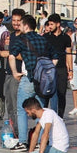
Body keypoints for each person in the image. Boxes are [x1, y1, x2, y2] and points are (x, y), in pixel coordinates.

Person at [7, 10, 47, 142]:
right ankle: (40, 141)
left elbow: (11, 56)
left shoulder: (22, 40)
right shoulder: (43, 39)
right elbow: (55, 57)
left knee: (21, 109)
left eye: (21, 24)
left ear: (26, 26)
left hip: (28, 78)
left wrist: (15, 72)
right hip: (43, 79)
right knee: (41, 110)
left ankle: (23, 141)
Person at [42, 14, 71, 118]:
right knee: (46, 94)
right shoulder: (45, 37)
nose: (49, 26)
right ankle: (45, 116)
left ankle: (60, 117)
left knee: (61, 93)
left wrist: (70, 70)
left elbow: (69, 54)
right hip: (48, 69)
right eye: (49, 24)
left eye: (51, 24)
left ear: (58, 24)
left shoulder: (66, 37)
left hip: (61, 68)